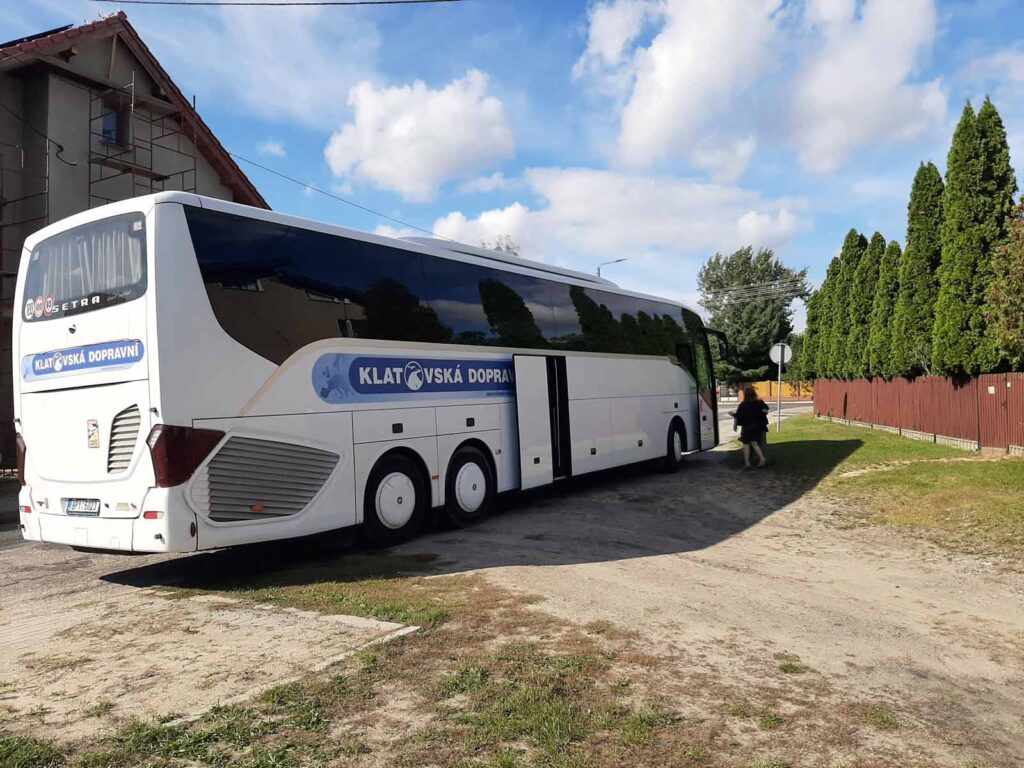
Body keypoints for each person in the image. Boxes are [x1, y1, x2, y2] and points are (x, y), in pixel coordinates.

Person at [733, 386, 768, 468]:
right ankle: (762, 458)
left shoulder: (743, 405)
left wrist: (732, 415)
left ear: (745, 394)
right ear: (754, 393)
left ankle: (747, 462)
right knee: (754, 443)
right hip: (758, 427)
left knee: (746, 443)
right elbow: (766, 409)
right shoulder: (759, 402)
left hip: (747, 427)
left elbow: (739, 415)